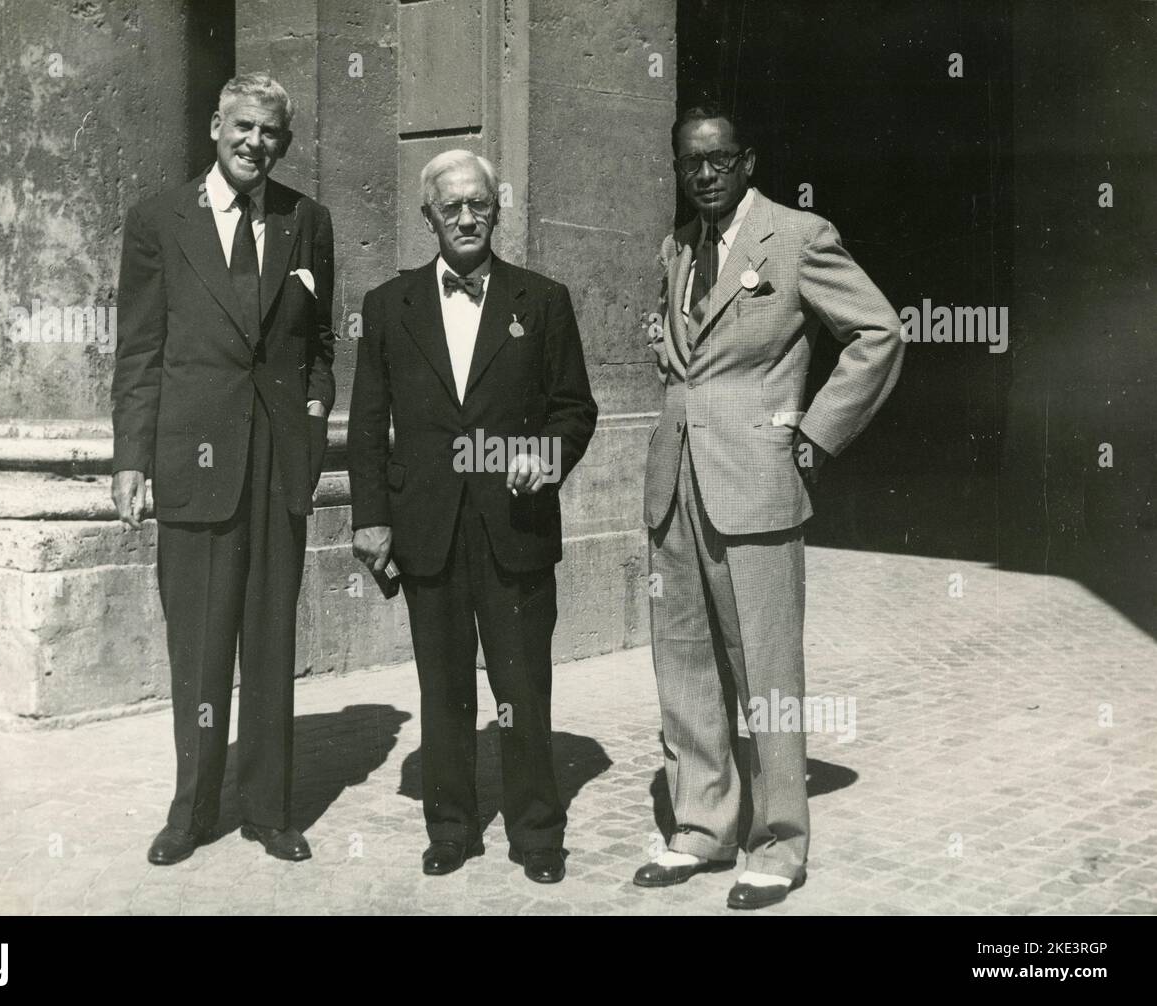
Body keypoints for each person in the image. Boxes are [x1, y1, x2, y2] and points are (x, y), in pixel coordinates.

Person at [638, 103, 904, 908]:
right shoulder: (675, 247)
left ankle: (778, 843)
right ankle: (701, 826)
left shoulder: (797, 236)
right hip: (674, 480)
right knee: (683, 659)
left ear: (748, 161)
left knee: (765, 668)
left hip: (755, 481)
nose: (706, 174)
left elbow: (880, 333)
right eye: (691, 162)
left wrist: (817, 433)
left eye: (719, 159)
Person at [348, 150, 597, 884]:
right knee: (443, 685)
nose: (465, 218)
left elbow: (574, 410)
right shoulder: (387, 307)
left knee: (522, 686)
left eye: (479, 205)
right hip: (427, 528)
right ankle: (450, 825)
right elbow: (366, 427)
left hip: (513, 528)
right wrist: (371, 519)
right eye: (450, 207)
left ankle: (536, 831)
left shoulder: (541, 301)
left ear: (499, 209)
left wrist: (543, 456)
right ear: (427, 216)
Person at [111, 72, 334, 866]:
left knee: (270, 643)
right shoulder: (158, 221)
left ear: (285, 140)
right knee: (199, 649)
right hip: (193, 461)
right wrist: (131, 460)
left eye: (271, 133)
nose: (255, 144)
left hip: (277, 467)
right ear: (215, 127)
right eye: (243, 127)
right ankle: (193, 808)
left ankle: (271, 810)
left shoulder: (308, 220)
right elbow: (139, 349)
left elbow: (319, 348)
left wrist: (310, 431)